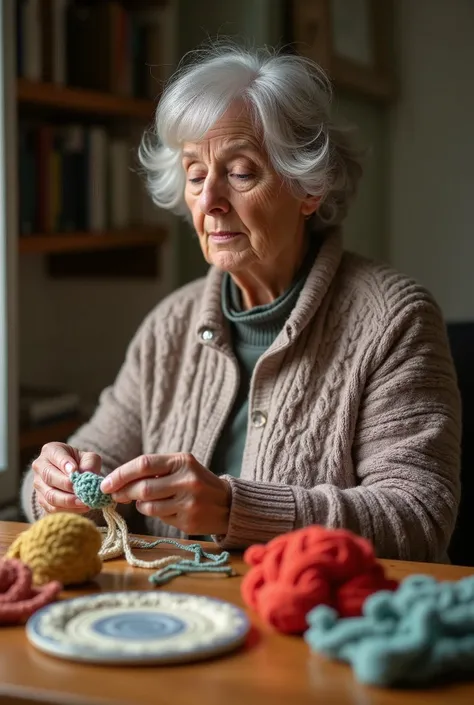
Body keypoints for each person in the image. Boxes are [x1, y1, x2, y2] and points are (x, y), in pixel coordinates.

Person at [21, 44, 461, 561]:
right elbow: (87, 466)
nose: (209, 202)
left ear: (308, 188)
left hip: (317, 624)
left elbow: (418, 516)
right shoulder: (171, 325)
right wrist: (56, 487)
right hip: (171, 617)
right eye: (195, 174)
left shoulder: (394, 319)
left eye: (241, 172)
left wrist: (236, 509)